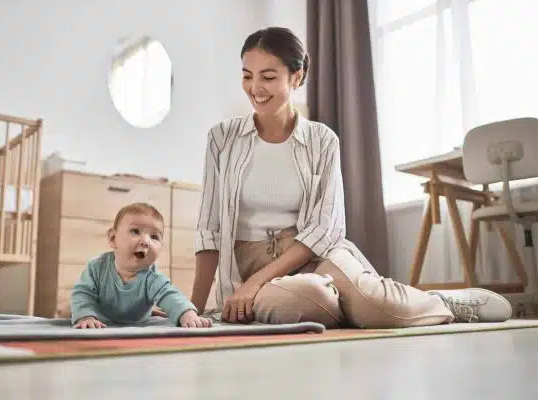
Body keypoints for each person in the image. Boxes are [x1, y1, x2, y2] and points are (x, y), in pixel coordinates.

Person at [189, 27, 513, 328]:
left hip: (314, 253)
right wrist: (194, 307)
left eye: (268, 77)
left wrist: (255, 285)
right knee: (310, 302)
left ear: (297, 77)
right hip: (251, 264)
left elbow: (325, 229)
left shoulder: (322, 140)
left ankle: (442, 303)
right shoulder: (222, 138)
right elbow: (210, 230)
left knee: (379, 307)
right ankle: (351, 303)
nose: (255, 89)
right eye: (247, 76)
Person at [71, 202, 212, 329]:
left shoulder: (153, 278)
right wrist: (86, 316)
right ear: (113, 238)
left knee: (166, 309)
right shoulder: (96, 268)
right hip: (102, 321)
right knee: (76, 307)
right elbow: (82, 294)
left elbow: (170, 295)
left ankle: (151, 311)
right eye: (135, 231)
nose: (145, 241)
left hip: (137, 321)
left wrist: (188, 314)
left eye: (154, 237)